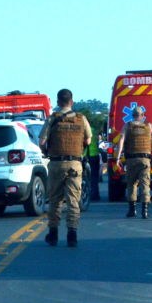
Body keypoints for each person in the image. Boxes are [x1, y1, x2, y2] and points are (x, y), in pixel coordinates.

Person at [38, 89, 92, 247]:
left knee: (55, 200)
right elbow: (88, 140)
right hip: (75, 164)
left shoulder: (53, 119)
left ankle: (53, 233)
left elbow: (42, 142)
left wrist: (46, 151)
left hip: (56, 163)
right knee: (73, 200)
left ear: (58, 102)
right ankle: (72, 234)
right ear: (72, 101)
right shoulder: (81, 118)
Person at [114, 105, 152, 218]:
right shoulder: (149, 126)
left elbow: (121, 141)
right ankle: (145, 212)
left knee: (131, 184)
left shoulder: (127, 126)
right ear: (142, 116)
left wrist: (117, 158)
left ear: (132, 115)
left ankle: (132, 210)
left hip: (131, 159)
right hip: (145, 160)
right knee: (145, 184)